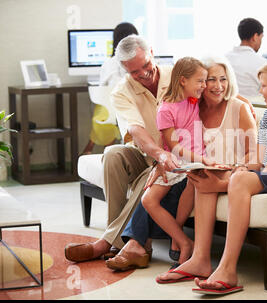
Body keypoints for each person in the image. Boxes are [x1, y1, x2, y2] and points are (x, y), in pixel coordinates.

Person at [158, 57, 267, 295]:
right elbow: (257, 160)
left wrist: (227, 182)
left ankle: (227, 270)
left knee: (230, 181)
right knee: (210, 177)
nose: (260, 91)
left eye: (264, 86)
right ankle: (200, 259)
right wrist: (234, 170)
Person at [105, 54, 257, 272]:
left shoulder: (234, 107)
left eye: (222, 79)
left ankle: (138, 243)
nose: (215, 85)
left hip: (217, 169)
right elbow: (167, 136)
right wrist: (160, 161)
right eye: (208, 80)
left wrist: (244, 100)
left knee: (181, 185)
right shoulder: (195, 105)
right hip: (190, 164)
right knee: (158, 185)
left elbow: (252, 153)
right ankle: (144, 243)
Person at [64, 35, 184, 266]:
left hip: (176, 157)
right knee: (112, 155)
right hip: (145, 153)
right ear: (124, 69)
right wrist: (159, 154)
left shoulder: (177, 75)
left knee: (150, 177)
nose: (143, 74)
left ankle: (109, 243)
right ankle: (120, 242)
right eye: (135, 72)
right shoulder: (122, 91)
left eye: (146, 65)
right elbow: (137, 130)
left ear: (152, 51)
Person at [139, 57, 213, 266]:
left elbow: (225, 95)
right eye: (200, 81)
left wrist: (246, 104)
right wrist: (202, 159)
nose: (204, 86)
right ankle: (182, 240)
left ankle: (178, 241)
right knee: (148, 200)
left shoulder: (193, 100)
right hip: (176, 160)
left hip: (194, 163)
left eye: (204, 81)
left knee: (193, 181)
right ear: (182, 80)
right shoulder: (166, 109)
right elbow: (174, 147)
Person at [81, 22, 138, 156]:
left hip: (107, 112)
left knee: (104, 111)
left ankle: (97, 147)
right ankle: (107, 150)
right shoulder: (136, 63)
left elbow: (102, 89)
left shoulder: (108, 63)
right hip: (127, 110)